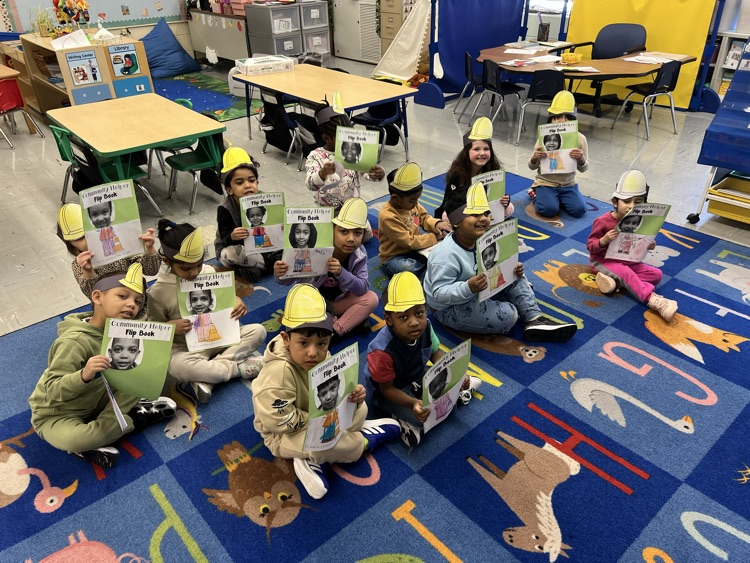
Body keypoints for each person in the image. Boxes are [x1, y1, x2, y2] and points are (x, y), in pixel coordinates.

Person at [252, 284, 400, 499]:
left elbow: (335, 388)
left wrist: (353, 397)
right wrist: (321, 422)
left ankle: (311, 455)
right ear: (286, 339)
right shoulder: (278, 372)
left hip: (316, 413)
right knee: (325, 442)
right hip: (282, 433)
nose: (313, 352)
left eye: (321, 343)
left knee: (361, 408)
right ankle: (362, 442)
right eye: (303, 343)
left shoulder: (322, 355)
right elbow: (278, 420)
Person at [28, 264, 177, 469]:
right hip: (58, 413)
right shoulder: (75, 342)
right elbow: (52, 391)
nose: (132, 305)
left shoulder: (122, 331)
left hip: (100, 397)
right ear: (97, 297)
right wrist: (84, 375)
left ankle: (117, 423)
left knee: (145, 376)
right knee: (77, 439)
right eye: (123, 296)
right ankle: (131, 419)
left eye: (137, 301)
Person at [424, 183, 578, 342]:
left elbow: (492, 264)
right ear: (456, 222)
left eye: (485, 213)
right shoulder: (446, 256)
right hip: (449, 307)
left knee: (514, 274)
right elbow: (438, 294)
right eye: (475, 215)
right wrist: (468, 287)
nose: (483, 219)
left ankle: (534, 319)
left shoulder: (481, 238)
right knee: (508, 315)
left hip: (479, 286)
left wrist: (511, 268)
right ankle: (514, 301)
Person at [147, 221, 266, 404]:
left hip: (220, 339)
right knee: (177, 366)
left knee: (258, 331)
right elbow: (153, 331)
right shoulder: (158, 292)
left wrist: (235, 300)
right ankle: (238, 369)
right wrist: (170, 328)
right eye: (185, 268)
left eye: (198, 265)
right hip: (187, 349)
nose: (194, 272)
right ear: (166, 261)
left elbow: (224, 299)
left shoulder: (209, 271)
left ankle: (206, 378)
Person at [366, 272, 482, 448]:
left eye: (419, 313)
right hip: (389, 392)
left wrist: (456, 375)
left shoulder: (426, 326)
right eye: (403, 317)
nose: (414, 322)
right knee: (423, 417)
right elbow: (387, 389)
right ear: (389, 320)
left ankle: (453, 392)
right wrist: (413, 403)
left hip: (416, 374)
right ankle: (403, 422)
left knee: (444, 387)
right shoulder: (381, 352)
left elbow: (436, 354)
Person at [274, 198, 378, 340]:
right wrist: (280, 273)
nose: (351, 239)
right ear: (332, 231)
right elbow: (285, 282)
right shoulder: (313, 248)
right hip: (311, 304)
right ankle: (343, 320)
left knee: (371, 298)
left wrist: (342, 273)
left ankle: (335, 331)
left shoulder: (359, 253)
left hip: (337, 303)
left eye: (357, 233)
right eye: (344, 231)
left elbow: (362, 288)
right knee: (296, 324)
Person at [586, 169, 678, 321]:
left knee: (656, 275)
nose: (631, 206)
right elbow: (590, 246)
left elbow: (638, 243)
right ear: (615, 202)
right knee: (627, 274)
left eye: (638, 202)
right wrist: (604, 240)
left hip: (628, 261)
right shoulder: (603, 221)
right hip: (603, 261)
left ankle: (615, 281)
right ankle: (654, 300)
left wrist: (649, 244)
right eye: (627, 201)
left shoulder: (640, 220)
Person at [56, 203, 160, 319]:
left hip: (139, 308)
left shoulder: (119, 245)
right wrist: (88, 272)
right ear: (73, 246)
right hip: (110, 316)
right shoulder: (79, 265)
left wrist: (149, 249)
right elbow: (93, 295)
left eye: (89, 233)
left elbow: (151, 270)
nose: (88, 240)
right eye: (80, 238)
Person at [305, 99, 384, 242]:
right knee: (326, 240)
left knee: (366, 236)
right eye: (342, 138)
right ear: (326, 138)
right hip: (327, 212)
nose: (348, 141)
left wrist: (376, 174)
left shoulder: (351, 151)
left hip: (351, 209)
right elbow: (311, 184)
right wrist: (322, 173)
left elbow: (365, 172)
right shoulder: (315, 156)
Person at [214, 147, 281, 283]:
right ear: (229, 190)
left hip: (263, 246)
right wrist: (232, 235)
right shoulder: (225, 208)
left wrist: (282, 227)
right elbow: (224, 237)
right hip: (237, 247)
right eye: (239, 183)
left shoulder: (266, 199)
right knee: (232, 253)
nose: (247, 185)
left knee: (295, 241)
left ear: (257, 182)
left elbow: (276, 229)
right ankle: (269, 266)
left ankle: (257, 267)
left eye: (251, 180)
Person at [378, 162, 450, 279]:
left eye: (417, 199)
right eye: (412, 201)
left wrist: (437, 224)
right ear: (395, 198)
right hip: (394, 256)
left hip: (416, 249)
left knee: (441, 252)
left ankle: (427, 267)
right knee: (408, 268)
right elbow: (408, 242)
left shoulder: (411, 205)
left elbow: (424, 218)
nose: (416, 204)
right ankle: (426, 270)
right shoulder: (388, 216)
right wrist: (434, 237)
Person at [435, 117, 513, 222]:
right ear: (467, 152)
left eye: (486, 149)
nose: (482, 153)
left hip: (486, 209)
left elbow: (496, 197)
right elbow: (449, 200)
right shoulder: (457, 173)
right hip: (466, 209)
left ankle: (485, 225)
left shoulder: (493, 170)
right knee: (446, 216)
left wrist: (505, 200)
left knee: (510, 208)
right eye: (476, 149)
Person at [527, 91, 589, 218]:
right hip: (546, 183)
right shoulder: (543, 138)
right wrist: (535, 157)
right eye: (556, 117)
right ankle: (535, 193)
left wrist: (581, 158)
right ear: (550, 119)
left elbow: (584, 168)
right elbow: (531, 166)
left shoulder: (580, 139)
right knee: (548, 210)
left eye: (564, 117)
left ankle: (557, 198)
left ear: (572, 119)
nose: (560, 121)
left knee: (580, 210)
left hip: (568, 184)